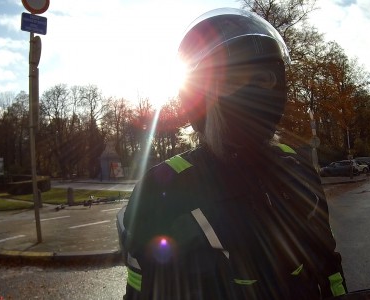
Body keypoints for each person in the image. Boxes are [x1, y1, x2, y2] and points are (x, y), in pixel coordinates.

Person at [120, 8, 347, 299]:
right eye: (232, 81)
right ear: (199, 101)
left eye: (264, 79)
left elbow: (328, 265)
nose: (253, 94)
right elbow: (141, 290)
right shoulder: (162, 188)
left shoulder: (297, 169)